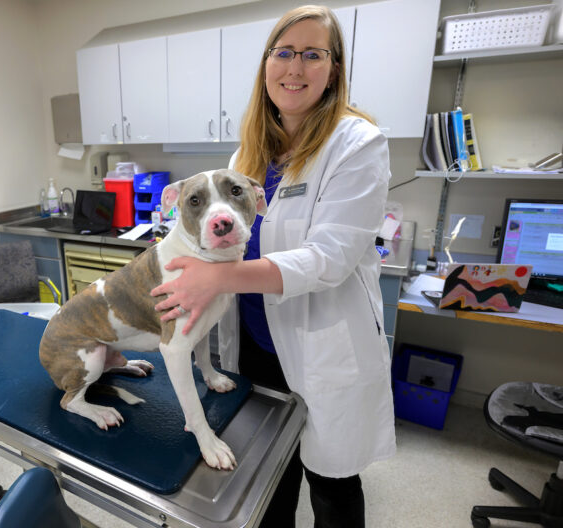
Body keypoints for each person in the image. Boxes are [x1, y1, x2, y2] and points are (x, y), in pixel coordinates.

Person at [151, 5, 395, 527]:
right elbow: (221, 234)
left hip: (321, 342)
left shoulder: (356, 143)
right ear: (266, 66)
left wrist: (216, 277)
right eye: (282, 53)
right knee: (268, 477)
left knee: (331, 485)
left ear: (334, 69)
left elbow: (328, 258)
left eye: (312, 55)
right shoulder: (251, 152)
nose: (295, 68)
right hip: (260, 345)